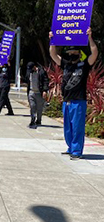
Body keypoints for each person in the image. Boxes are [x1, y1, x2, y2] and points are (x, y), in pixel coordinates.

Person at [49, 27, 98, 160]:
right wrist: (52, 40)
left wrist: (90, 38)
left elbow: (94, 53)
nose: (71, 54)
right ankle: (70, 147)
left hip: (79, 101)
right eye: (70, 52)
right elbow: (53, 54)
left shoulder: (84, 64)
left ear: (79, 52)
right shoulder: (66, 65)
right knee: (68, 128)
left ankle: (77, 151)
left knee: (77, 128)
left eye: (74, 51)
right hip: (67, 101)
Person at [24, 62, 49, 129]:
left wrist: (45, 91)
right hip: (31, 92)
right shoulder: (29, 72)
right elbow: (27, 80)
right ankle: (32, 120)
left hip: (39, 92)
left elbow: (45, 81)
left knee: (39, 108)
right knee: (32, 106)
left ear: (35, 67)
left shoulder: (41, 72)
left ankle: (38, 120)